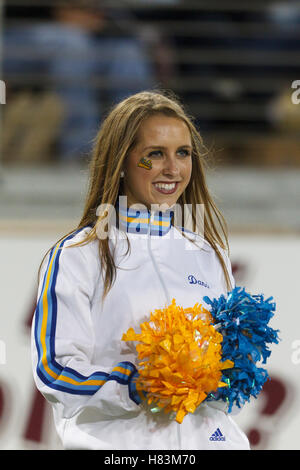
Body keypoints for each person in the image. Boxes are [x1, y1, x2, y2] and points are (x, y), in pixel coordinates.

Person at [31, 90, 250, 450]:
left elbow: (223, 379)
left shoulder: (209, 253)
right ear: (121, 161)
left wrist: (232, 373)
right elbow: (54, 372)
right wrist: (136, 385)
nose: (173, 169)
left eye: (183, 153)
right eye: (154, 154)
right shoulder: (78, 255)